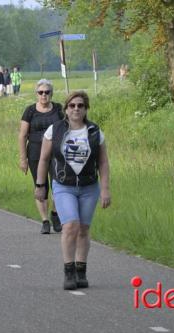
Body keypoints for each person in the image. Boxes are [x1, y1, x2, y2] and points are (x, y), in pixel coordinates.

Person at [35, 91, 111, 290]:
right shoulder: (55, 130)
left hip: (89, 187)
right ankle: (68, 271)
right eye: (72, 106)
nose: (76, 109)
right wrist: (40, 186)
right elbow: (43, 159)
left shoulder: (95, 131)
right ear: (66, 109)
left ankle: (81, 270)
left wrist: (105, 189)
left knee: (84, 229)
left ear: (86, 109)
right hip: (63, 186)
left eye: (80, 106)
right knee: (70, 226)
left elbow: (103, 162)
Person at [19, 79, 63, 234]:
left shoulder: (58, 109)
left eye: (47, 92)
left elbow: (66, 129)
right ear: (36, 94)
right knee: (40, 186)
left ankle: (56, 214)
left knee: (58, 185)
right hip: (35, 152)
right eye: (41, 92)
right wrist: (23, 159)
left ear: (51, 93)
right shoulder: (30, 111)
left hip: (56, 152)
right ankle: (45, 220)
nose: (44, 95)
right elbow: (23, 135)